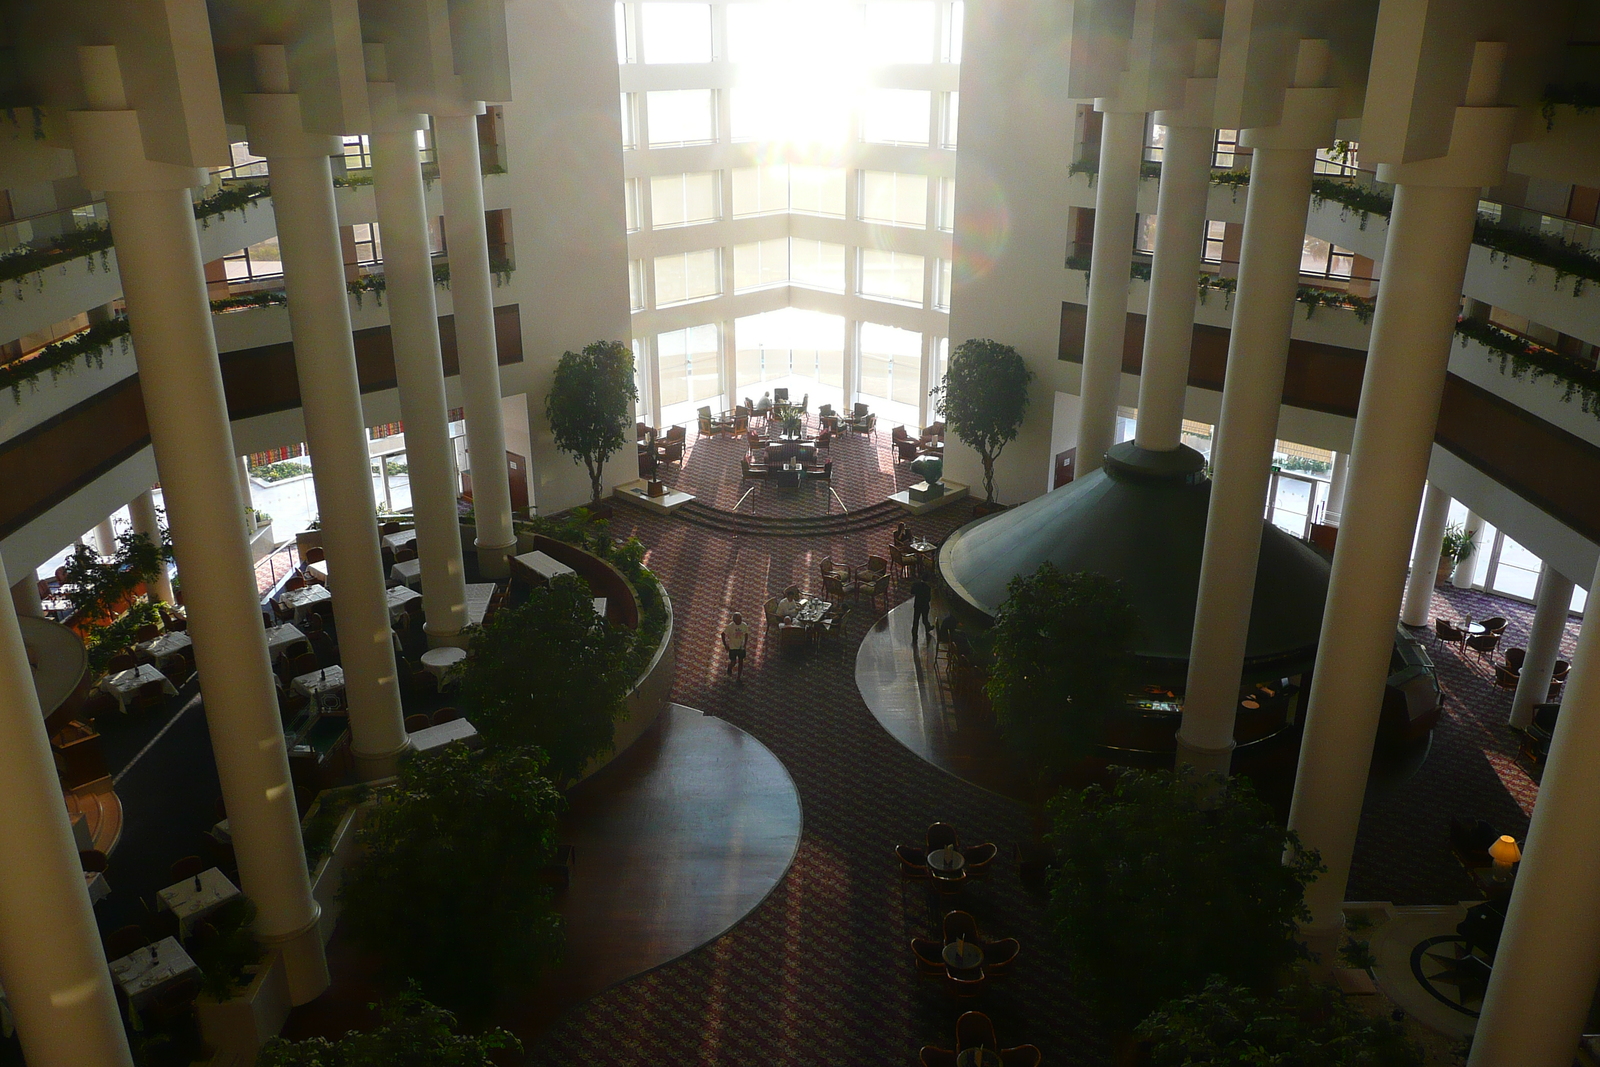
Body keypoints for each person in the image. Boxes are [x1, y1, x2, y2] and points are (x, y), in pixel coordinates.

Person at [721, 612, 751, 679]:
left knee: (741, 662)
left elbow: (746, 634)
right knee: (733, 662)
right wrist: (725, 645)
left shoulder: (744, 625)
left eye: (740, 619)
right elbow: (723, 634)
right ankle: (730, 667)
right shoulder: (730, 626)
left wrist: (745, 644)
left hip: (741, 647)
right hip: (733, 647)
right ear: (734, 620)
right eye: (738, 619)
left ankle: (738, 677)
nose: (740, 621)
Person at [910, 576, 933, 640]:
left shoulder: (917, 585)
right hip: (925, 606)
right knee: (925, 619)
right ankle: (927, 628)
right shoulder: (928, 588)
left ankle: (914, 632)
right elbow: (929, 599)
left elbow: (912, 592)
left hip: (917, 605)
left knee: (916, 619)